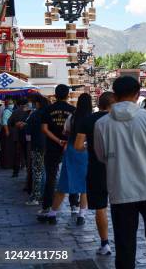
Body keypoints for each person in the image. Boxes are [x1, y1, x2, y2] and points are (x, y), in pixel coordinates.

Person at [94, 76, 146, 269]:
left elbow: (101, 156)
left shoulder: (102, 124)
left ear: (114, 95)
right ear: (138, 95)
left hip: (121, 192)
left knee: (124, 245)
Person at [74, 91, 116, 256]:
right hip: (118, 168)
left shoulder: (88, 120)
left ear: (99, 104)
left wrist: (89, 147)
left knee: (101, 207)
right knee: (122, 206)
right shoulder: (118, 120)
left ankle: (105, 243)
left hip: (96, 167)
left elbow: (78, 146)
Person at [47, 93, 92, 226]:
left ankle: (52, 213)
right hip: (85, 152)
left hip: (71, 150)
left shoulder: (72, 117)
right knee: (84, 186)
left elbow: (65, 132)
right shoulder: (91, 118)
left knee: (64, 183)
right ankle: (81, 215)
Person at [38, 85, 77, 222]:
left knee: (51, 177)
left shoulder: (48, 109)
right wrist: (66, 141)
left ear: (55, 95)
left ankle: (47, 206)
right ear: (67, 95)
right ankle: (74, 205)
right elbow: (75, 130)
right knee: (72, 175)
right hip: (69, 146)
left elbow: (44, 129)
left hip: (52, 146)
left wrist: (58, 140)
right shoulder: (73, 110)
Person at [25, 94, 50, 206]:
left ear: (38, 103)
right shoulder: (49, 113)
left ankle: (36, 196)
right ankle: (46, 194)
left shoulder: (35, 114)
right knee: (47, 171)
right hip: (50, 145)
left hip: (38, 145)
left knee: (38, 171)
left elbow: (28, 131)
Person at [8, 97, 30, 178]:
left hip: (17, 136)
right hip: (27, 136)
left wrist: (16, 124)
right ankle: (29, 172)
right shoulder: (29, 111)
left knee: (17, 155)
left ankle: (15, 172)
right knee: (27, 155)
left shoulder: (15, 111)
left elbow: (9, 122)